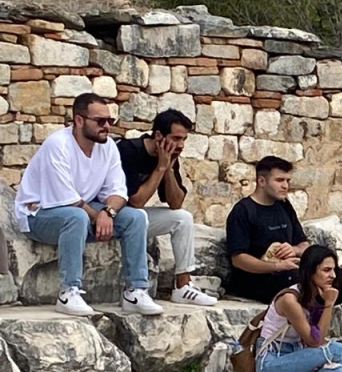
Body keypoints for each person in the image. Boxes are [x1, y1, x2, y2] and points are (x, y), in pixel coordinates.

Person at [225, 156, 342, 369]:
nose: (285, 186)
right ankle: (311, 342)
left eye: (287, 181)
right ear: (262, 181)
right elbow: (238, 259)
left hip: (294, 273)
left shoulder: (283, 206)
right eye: (280, 180)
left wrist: (293, 249)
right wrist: (276, 266)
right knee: (305, 282)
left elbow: (303, 244)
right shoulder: (244, 211)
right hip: (262, 280)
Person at [13, 93, 163, 317]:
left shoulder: (108, 147)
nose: (106, 127)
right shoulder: (58, 145)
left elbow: (118, 192)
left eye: (109, 121)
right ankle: (68, 292)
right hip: (39, 215)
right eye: (100, 121)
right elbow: (68, 199)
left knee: (136, 217)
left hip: (83, 213)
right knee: (77, 216)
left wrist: (108, 213)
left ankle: (135, 291)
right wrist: (99, 216)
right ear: (79, 120)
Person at [117, 108, 219, 307]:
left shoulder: (169, 155)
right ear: (158, 135)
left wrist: (169, 169)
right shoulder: (129, 151)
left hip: (135, 219)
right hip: (112, 215)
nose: (180, 145)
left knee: (183, 218)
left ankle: (183, 286)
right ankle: (135, 290)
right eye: (176, 138)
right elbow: (136, 201)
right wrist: (160, 168)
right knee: (138, 214)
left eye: (184, 140)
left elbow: (175, 202)